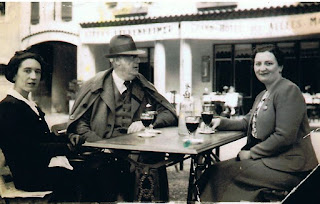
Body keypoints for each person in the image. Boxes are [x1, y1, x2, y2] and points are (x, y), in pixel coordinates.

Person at [199, 44, 318, 202]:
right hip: (271, 160)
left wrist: (251, 154)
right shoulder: (263, 94)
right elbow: (247, 121)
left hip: (290, 167)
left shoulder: (288, 90)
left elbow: (284, 136)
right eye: (258, 64)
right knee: (214, 171)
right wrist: (220, 122)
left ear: (280, 67)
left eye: (269, 63)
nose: (262, 68)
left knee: (219, 174)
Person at [66, 34, 178, 202]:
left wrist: (148, 124)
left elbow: (169, 113)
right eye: (131, 57)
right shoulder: (95, 86)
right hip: (103, 154)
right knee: (104, 170)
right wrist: (102, 145)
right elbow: (79, 124)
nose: (137, 62)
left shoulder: (143, 85)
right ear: (116, 61)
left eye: (137, 57)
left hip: (137, 154)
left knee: (154, 164)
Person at [0, 50, 80, 201]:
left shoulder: (30, 105)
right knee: (84, 176)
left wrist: (68, 138)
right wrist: (66, 147)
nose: (33, 77)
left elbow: (43, 137)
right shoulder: (8, 107)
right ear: (14, 74)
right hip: (29, 177)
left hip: (41, 168)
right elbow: (28, 148)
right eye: (27, 71)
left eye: (37, 72)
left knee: (93, 167)